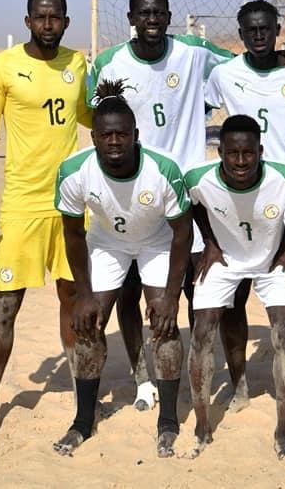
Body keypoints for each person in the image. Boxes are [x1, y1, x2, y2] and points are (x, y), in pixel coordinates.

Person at [89, 0, 285, 411]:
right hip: (134, 189)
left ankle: (196, 373)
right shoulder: (108, 64)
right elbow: (98, 118)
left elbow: (252, 60)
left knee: (200, 288)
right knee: (131, 289)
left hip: (190, 192)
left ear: (169, 15)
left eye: (160, 13)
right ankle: (142, 380)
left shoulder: (194, 53)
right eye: (145, 13)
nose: (153, 20)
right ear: (132, 17)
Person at [0, 0, 92, 438]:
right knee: (5, 306)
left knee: (74, 301)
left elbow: (89, 117)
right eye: (40, 18)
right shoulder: (1, 67)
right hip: (21, 205)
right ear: (28, 22)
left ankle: (84, 395)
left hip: (72, 205)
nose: (48, 24)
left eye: (55, 17)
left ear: (66, 21)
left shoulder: (77, 64)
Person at [54, 80, 191, 457]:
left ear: (135, 134)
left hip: (156, 241)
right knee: (86, 324)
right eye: (107, 134)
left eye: (122, 134)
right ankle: (83, 421)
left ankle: (168, 421)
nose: (115, 141)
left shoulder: (163, 169)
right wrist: (83, 295)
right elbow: (73, 233)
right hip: (107, 243)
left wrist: (171, 297)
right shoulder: (73, 172)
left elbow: (182, 234)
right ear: (94, 137)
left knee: (163, 324)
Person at [184, 114, 285, 460]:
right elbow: (193, 205)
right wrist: (209, 242)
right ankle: (203, 423)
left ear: (260, 151)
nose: (240, 161)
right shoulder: (199, 178)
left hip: (270, 262)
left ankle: (283, 427)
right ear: (219, 151)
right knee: (203, 332)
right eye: (232, 153)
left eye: (248, 154)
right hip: (224, 261)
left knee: (283, 332)